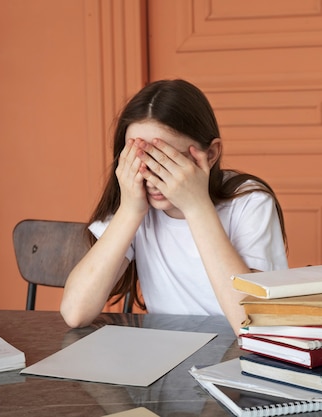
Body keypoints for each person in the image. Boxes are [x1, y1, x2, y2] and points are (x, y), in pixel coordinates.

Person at [60, 79, 288, 335]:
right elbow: (75, 312)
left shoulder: (250, 202)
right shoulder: (136, 200)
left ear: (210, 154)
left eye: (166, 160)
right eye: (137, 160)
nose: (151, 176)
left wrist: (197, 207)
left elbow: (253, 324)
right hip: (168, 354)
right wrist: (129, 212)